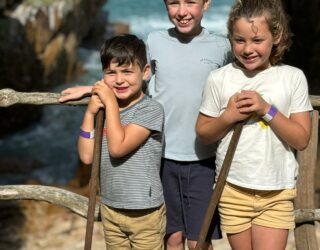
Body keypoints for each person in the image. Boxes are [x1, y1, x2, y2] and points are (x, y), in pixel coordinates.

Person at [60, 1, 231, 249]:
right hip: (162, 158)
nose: (182, 11)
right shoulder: (155, 40)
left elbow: (234, 83)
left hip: (204, 156)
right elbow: (128, 74)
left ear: (206, 3)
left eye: (191, 2)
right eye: (173, 3)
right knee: (171, 237)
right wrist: (91, 90)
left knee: (198, 240)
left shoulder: (221, 46)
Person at [196, 0, 312, 249]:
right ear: (230, 38)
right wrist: (228, 116)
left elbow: (301, 139)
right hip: (232, 189)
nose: (248, 49)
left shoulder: (292, 78)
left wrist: (266, 109)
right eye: (239, 40)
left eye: (257, 40)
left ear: (277, 36)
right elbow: (204, 133)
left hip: (276, 193)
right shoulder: (219, 79)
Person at [78, 34, 166, 250]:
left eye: (127, 71)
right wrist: (89, 115)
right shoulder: (101, 111)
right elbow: (87, 156)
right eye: (111, 73)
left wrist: (109, 103)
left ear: (145, 72)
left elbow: (118, 148)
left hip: (145, 212)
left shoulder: (150, 110)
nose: (119, 80)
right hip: (111, 207)